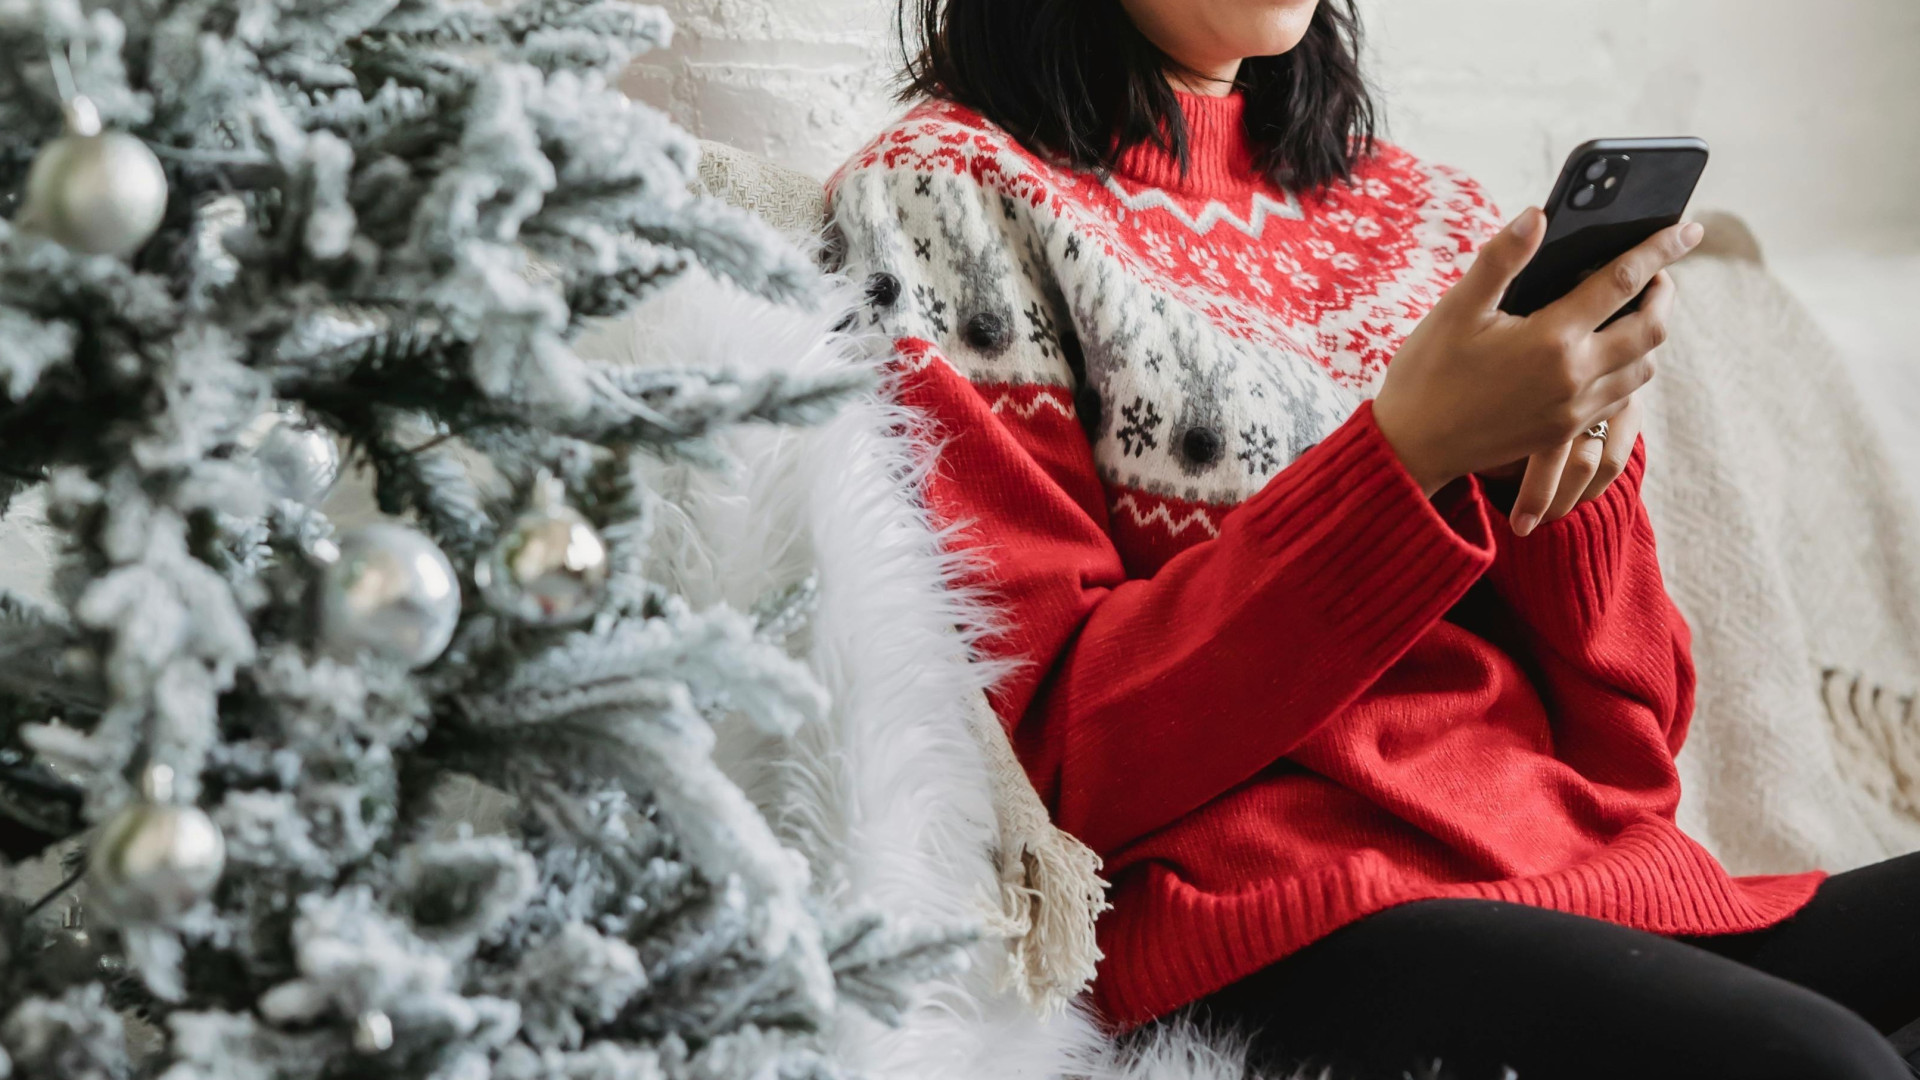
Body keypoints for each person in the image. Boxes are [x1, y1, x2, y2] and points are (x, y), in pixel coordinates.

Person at [825, 1, 1920, 1077]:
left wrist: (1567, 493)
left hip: (1600, 888)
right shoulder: (942, 201)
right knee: (1827, 1061)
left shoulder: (1438, 221)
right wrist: (1405, 458)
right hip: (1278, 928)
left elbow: (1632, 751)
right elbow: (1059, 761)